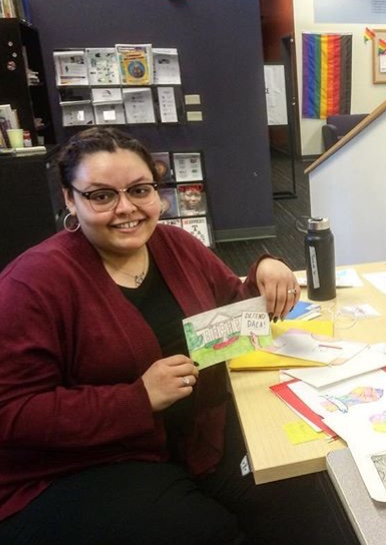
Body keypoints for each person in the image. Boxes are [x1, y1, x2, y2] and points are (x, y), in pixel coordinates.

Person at [0, 127, 301, 544]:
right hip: (83, 465)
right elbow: (13, 414)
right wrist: (137, 399)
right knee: (212, 533)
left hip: (194, 436)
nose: (127, 209)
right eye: (101, 196)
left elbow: (231, 312)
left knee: (295, 497)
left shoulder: (175, 244)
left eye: (140, 190)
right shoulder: (31, 285)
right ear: (70, 199)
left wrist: (264, 278)